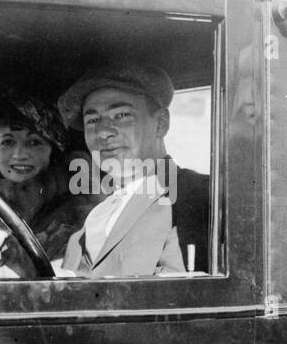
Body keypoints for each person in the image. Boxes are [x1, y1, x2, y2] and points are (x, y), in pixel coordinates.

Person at [54, 63, 211, 277]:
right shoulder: (94, 219)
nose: (103, 132)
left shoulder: (197, 194)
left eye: (122, 115)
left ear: (161, 123)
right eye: (92, 120)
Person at [0, 93, 89, 279]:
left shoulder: (77, 216)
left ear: (53, 150)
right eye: (8, 142)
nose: (19, 154)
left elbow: (59, 284)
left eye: (34, 142)